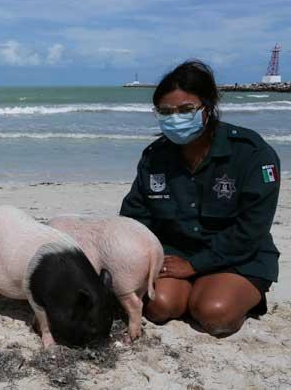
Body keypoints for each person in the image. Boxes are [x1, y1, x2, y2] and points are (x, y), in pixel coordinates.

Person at [120, 60, 280, 337]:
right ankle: (192, 291)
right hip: (175, 252)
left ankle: (230, 292)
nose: (175, 118)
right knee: (159, 307)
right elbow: (135, 216)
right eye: (166, 112)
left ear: (208, 107)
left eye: (186, 110)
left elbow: (251, 228)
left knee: (213, 313)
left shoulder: (251, 153)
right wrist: (142, 259)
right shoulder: (155, 156)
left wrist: (195, 266)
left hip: (238, 256)